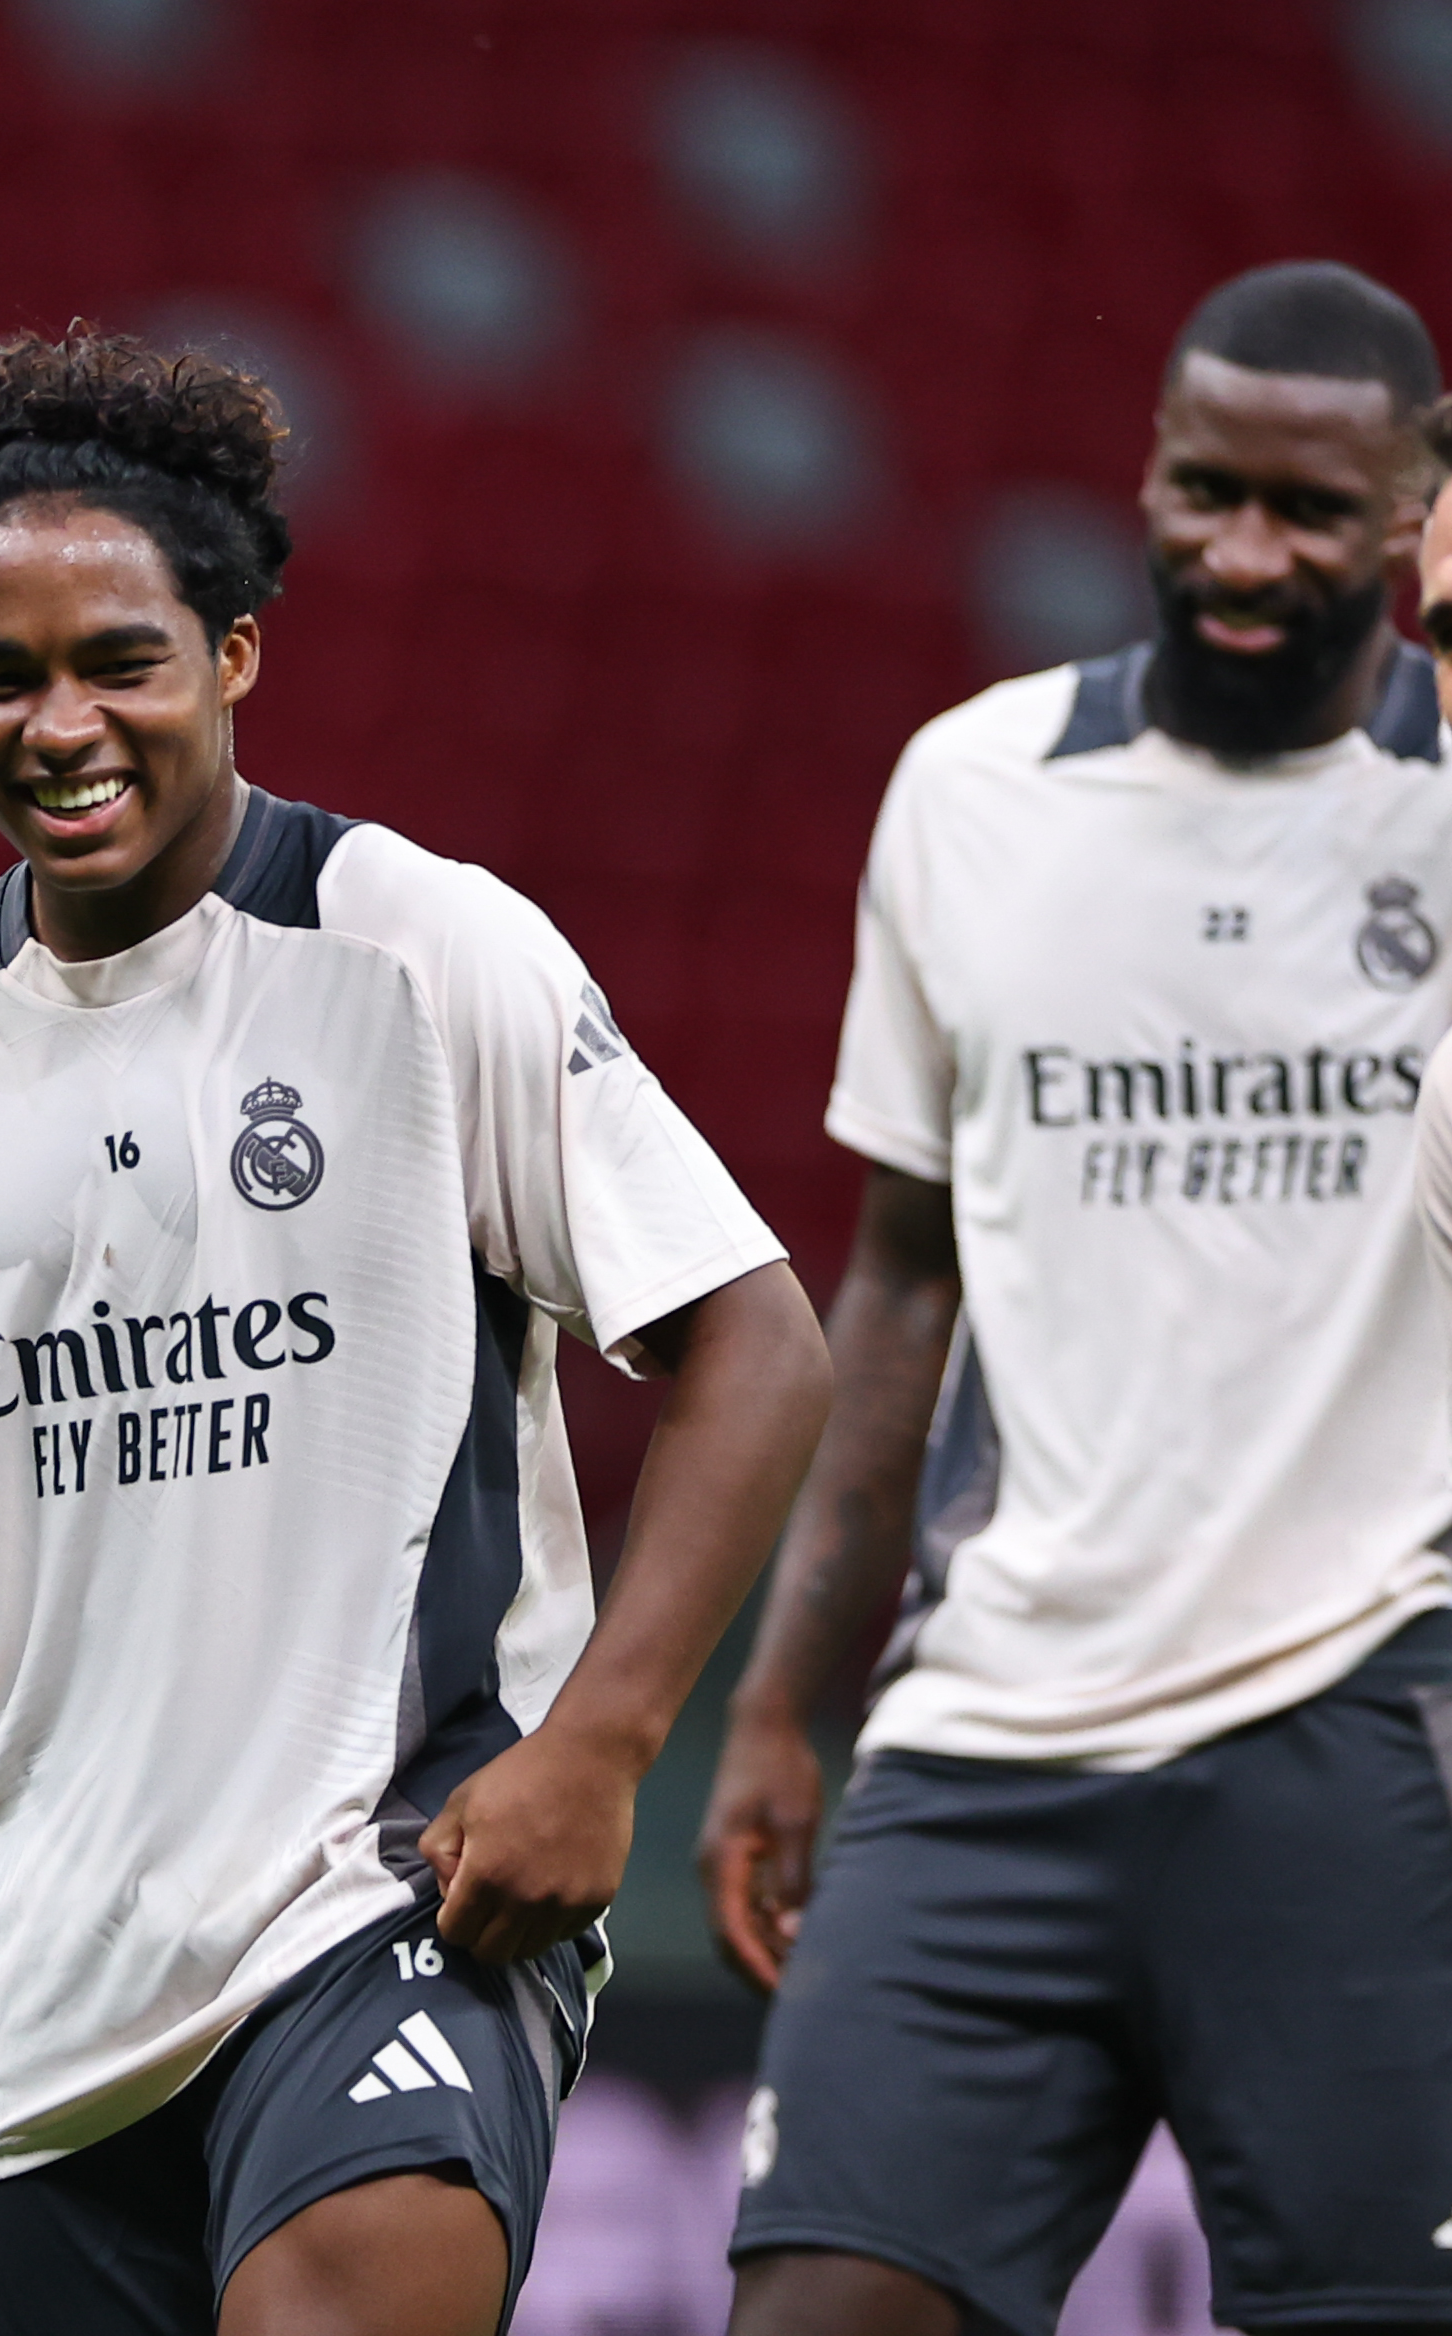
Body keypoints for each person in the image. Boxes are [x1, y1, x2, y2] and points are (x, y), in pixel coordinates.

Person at [0, 327, 832, 2336]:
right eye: (0, 677)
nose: (60, 725)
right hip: (56, 1976)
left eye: (122, 663)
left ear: (236, 651)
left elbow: (759, 1344)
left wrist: (601, 1746)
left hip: (398, 1889)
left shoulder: (414, 944)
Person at [700, 260, 1452, 2336]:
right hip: (992, 1738)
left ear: (1419, 519)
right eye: (1206, 488)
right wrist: (778, 1701)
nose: (1243, 552)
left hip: (1368, 1728)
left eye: (1313, 511)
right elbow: (904, 1274)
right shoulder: (974, 789)